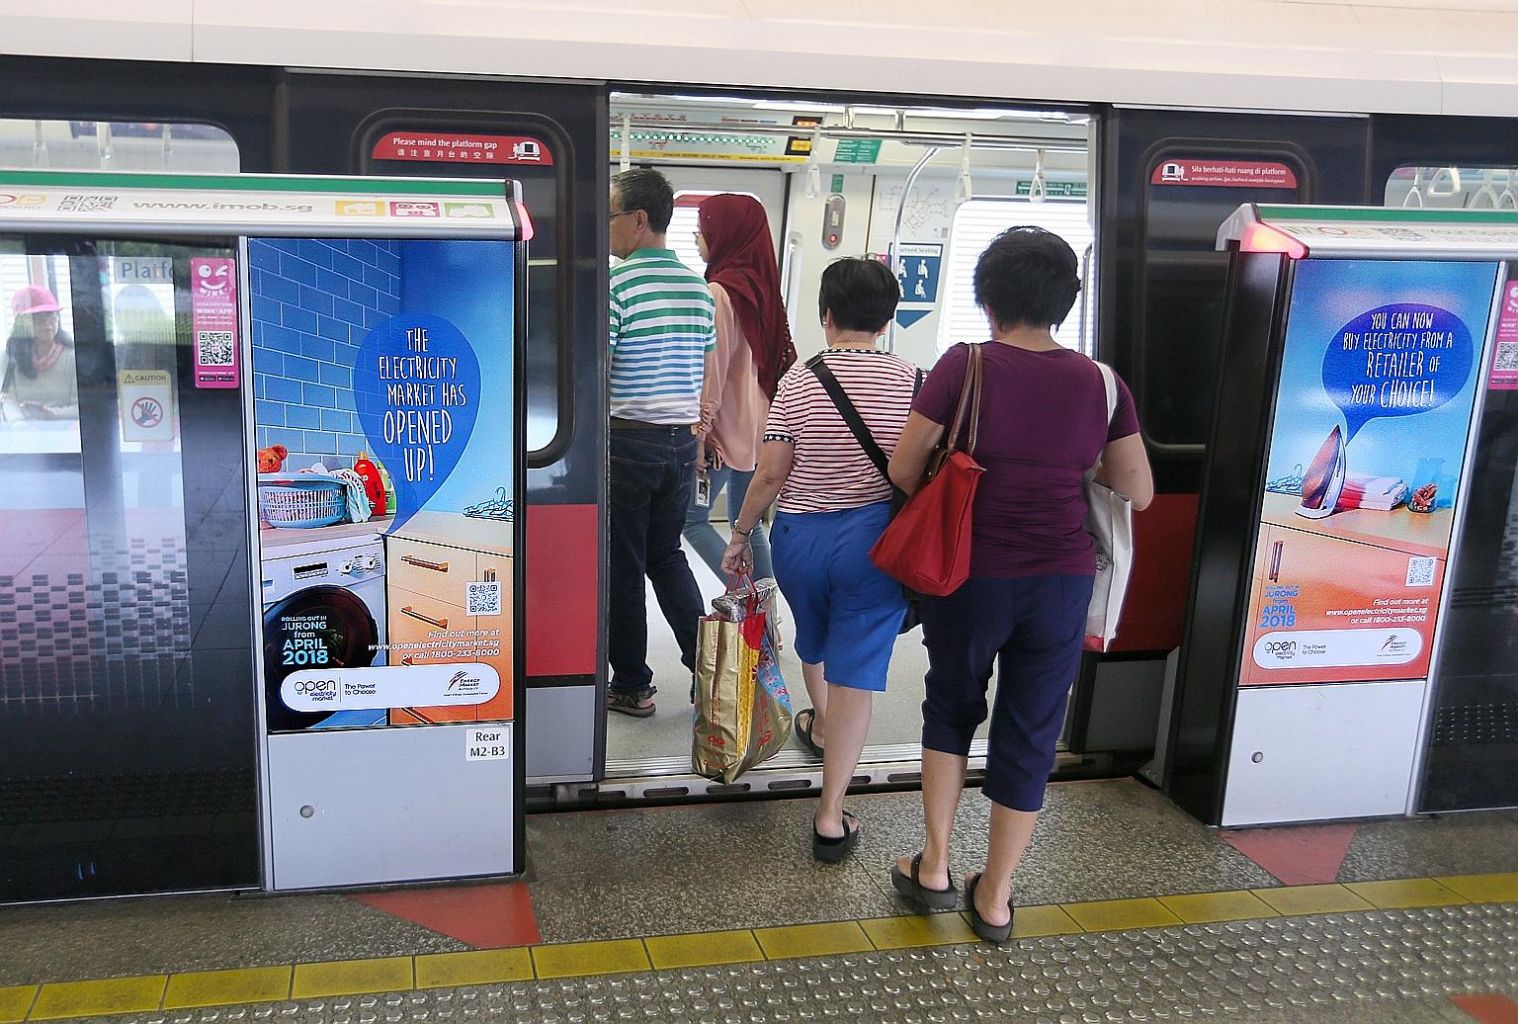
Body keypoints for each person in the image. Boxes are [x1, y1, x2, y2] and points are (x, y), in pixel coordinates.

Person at [886, 227, 1153, 942]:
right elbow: (1139, 489)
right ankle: (997, 898)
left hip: (968, 574)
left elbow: (903, 471)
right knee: (1032, 729)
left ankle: (936, 865)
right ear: (1066, 300)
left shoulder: (962, 366)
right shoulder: (1102, 384)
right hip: (1061, 582)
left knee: (951, 705)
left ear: (988, 297)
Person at [722, 257, 916, 862]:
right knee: (857, 674)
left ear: (826, 314)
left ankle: (821, 723)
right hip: (876, 544)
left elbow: (771, 473)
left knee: (816, 637)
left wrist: (739, 532)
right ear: (887, 319)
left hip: (801, 540)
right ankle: (830, 816)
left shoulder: (800, 381)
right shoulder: (915, 380)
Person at [606, 168, 716, 719]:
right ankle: (709, 673)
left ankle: (631, 683)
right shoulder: (699, 289)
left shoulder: (618, 285)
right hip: (679, 444)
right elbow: (698, 366)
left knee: (623, 566)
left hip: (626, 441)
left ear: (639, 220)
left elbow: (598, 369)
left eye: (611, 217)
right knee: (668, 556)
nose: (607, 229)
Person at [683, 194, 796, 581]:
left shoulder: (718, 292)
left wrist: (701, 431)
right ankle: (764, 618)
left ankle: (744, 598)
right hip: (763, 424)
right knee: (747, 523)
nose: (698, 236)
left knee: (692, 520)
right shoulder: (764, 286)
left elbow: (712, 369)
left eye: (703, 228)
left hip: (725, 427)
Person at [3, 285, 78, 422]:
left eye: (51, 316)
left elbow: (81, 406)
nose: (47, 324)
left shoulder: (72, 358)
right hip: (23, 433)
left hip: (67, 434)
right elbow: (8, 400)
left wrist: (52, 414)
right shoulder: (8, 358)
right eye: (38, 318)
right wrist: (20, 425)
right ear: (22, 324)